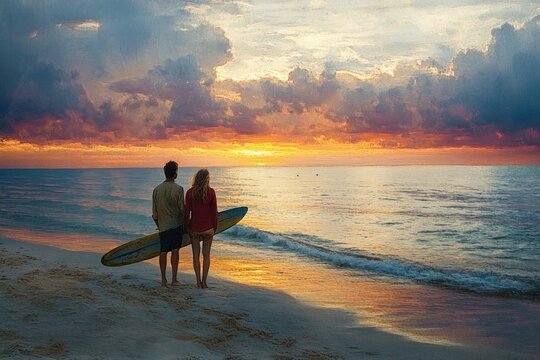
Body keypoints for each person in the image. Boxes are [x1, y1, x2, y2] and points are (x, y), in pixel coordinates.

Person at [152, 161, 184, 287]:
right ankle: (174, 279)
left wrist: (159, 225)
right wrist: (185, 224)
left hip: (163, 226)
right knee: (175, 251)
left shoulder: (156, 190)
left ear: (165, 173)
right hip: (176, 225)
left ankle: (163, 280)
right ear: (175, 173)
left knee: (163, 251)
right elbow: (182, 210)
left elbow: (154, 213)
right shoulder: (179, 189)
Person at [184, 169, 217, 289]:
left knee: (196, 255)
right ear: (207, 179)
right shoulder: (211, 192)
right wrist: (215, 227)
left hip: (194, 229)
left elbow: (187, 212)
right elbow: (214, 213)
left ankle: (198, 282)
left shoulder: (190, 193)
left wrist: (186, 226)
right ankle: (204, 282)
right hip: (208, 229)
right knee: (206, 255)